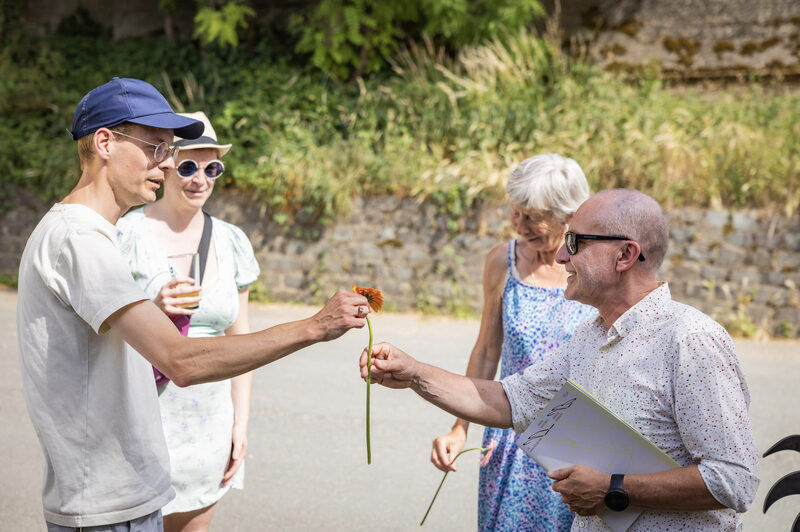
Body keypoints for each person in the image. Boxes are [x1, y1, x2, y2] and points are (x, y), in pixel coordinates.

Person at [17, 77, 372, 531]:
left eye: (169, 151)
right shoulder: (80, 239)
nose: (166, 166)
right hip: (107, 507)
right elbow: (180, 361)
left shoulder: (87, 233)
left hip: (115, 497)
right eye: (156, 148)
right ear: (105, 142)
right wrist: (315, 326)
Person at [361, 189, 759, 531]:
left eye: (575, 242)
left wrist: (612, 488)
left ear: (625, 254)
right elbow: (508, 400)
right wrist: (412, 372)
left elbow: (733, 481)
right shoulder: (590, 335)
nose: (561, 256)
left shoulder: (691, 339)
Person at [430, 154, 596, 531]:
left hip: (583, 445)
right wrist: (460, 428)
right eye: (515, 212)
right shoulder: (502, 262)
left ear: (569, 215)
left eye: (532, 216)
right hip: (511, 437)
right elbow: (487, 350)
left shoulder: (596, 267)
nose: (518, 225)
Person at [116, 111, 254, 531]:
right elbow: (104, 332)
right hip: (144, 422)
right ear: (166, 163)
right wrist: (154, 310)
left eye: (212, 168)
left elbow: (240, 339)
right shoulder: (128, 233)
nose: (201, 179)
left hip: (209, 427)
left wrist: (240, 422)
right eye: (189, 166)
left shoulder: (231, 240)